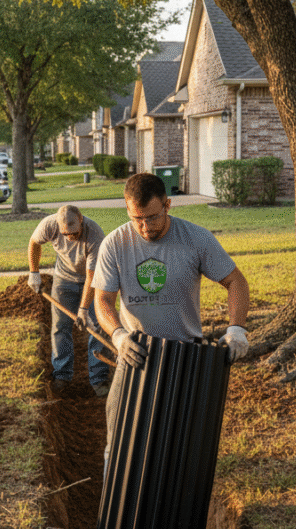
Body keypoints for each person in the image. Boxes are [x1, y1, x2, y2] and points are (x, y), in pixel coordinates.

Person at [93, 173, 250, 457]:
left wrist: (236, 328)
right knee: (119, 441)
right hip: (136, 352)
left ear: (167, 204)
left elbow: (236, 281)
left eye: (152, 217)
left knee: (182, 444)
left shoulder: (195, 238)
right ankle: (114, 491)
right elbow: (102, 300)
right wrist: (118, 336)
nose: (144, 227)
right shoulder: (114, 244)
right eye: (136, 219)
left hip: (186, 354)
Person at [28, 205, 111, 396]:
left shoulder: (95, 234)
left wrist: (83, 309)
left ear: (81, 220)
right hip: (63, 279)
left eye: (73, 234)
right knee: (60, 327)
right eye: (65, 234)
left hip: (92, 280)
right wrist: (34, 272)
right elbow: (34, 243)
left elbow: (91, 277)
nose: (69, 238)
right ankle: (62, 375)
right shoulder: (49, 225)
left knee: (97, 326)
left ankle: (99, 379)